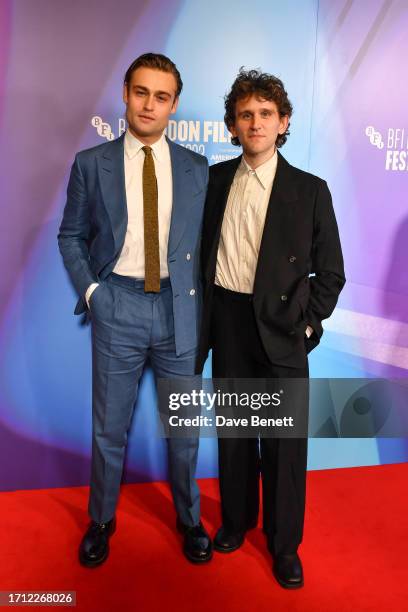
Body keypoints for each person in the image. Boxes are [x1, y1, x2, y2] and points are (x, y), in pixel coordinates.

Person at [58, 53, 212, 567]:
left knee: (184, 429)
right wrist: (93, 294)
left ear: (174, 105)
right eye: (141, 92)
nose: (150, 104)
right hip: (117, 303)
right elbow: (71, 236)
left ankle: (189, 520)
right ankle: (101, 520)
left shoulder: (196, 168)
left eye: (161, 96)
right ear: (125, 93)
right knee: (109, 429)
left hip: (177, 311)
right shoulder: (90, 163)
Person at [196, 69, 345, 588]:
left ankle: (285, 546)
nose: (255, 123)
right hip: (228, 323)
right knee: (236, 436)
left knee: (283, 445)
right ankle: (236, 522)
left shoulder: (309, 190)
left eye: (265, 114)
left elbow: (331, 272)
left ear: (283, 123)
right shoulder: (213, 181)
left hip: (283, 329)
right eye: (245, 115)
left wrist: (306, 327)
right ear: (232, 126)